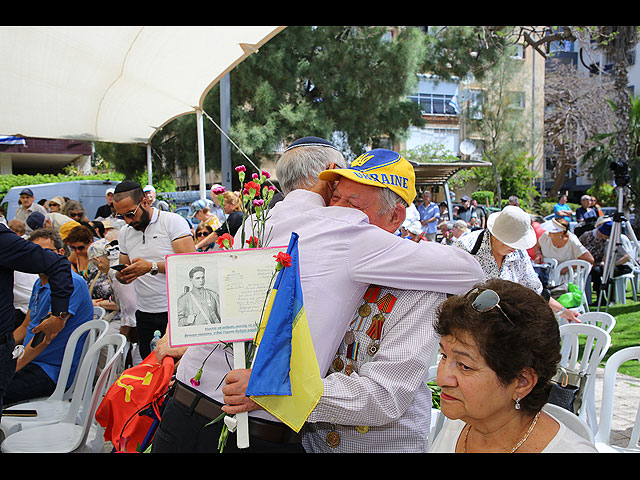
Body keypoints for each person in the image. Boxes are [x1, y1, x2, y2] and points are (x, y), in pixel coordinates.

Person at [151, 140, 483, 453]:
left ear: (396, 216)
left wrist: (279, 390)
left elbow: (386, 394)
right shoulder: (314, 229)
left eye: (352, 205)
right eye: (334, 197)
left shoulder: (415, 282)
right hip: (250, 428)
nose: (336, 210)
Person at [429, 278, 598, 453]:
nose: (441, 379)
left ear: (522, 382)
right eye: (444, 356)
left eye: (465, 366)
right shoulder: (461, 423)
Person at [5, 229, 92, 406]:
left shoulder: (71, 282)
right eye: (34, 253)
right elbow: (25, 327)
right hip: (32, 361)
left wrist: (11, 368)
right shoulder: (40, 282)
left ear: (61, 253)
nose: (40, 258)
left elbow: (45, 337)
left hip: (51, 371)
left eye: (46, 252)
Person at [452, 205, 580, 323]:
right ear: (495, 235)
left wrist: (563, 311)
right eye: (511, 242)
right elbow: (450, 293)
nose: (515, 248)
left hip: (503, 322)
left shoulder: (519, 252)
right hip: (468, 321)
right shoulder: (466, 248)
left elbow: (534, 289)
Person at [113, 180, 195, 359]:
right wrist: (123, 275)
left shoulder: (171, 222)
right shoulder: (125, 232)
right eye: (121, 216)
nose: (128, 221)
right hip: (144, 312)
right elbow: (125, 268)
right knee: (149, 367)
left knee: (175, 367)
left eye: (130, 214)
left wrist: (152, 267)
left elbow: (191, 263)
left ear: (145, 202)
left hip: (177, 311)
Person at [580, 219, 633, 304]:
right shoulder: (608, 240)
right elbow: (606, 254)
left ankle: (611, 298)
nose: (601, 235)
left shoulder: (621, 239)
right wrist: (603, 262)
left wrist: (612, 264)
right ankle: (600, 297)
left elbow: (627, 257)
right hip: (609, 265)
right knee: (596, 270)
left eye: (602, 233)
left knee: (608, 272)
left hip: (623, 265)